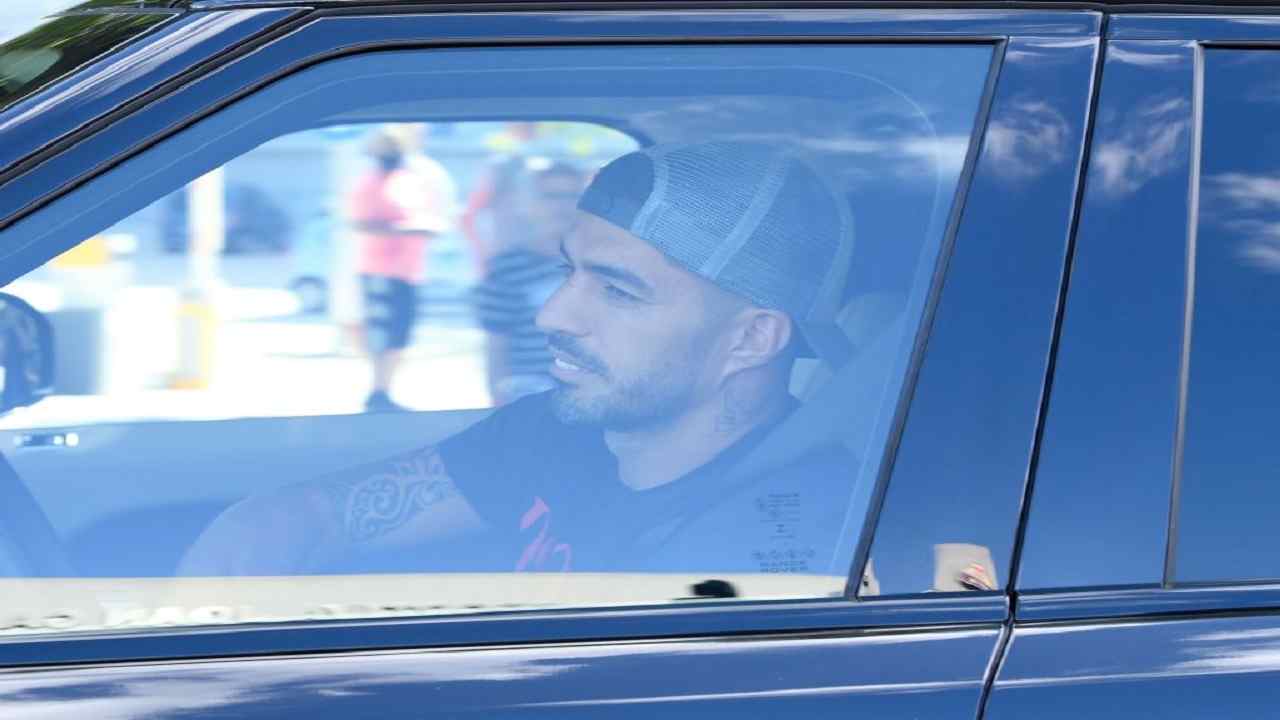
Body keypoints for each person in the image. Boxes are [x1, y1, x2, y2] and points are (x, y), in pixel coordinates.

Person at [180, 141, 858, 577]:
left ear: (751, 340)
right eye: (569, 271)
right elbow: (304, 517)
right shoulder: (559, 431)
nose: (552, 316)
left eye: (618, 291)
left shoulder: (791, 538)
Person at [346, 129, 455, 412]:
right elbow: (362, 224)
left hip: (408, 270)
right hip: (380, 270)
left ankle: (384, 389)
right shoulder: (369, 183)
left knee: (400, 333)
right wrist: (408, 229)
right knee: (382, 333)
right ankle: (378, 390)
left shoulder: (409, 180)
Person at [473, 162, 586, 405]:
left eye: (571, 196)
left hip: (590, 391)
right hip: (528, 394)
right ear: (530, 204)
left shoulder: (604, 263)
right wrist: (498, 400)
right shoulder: (505, 268)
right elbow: (496, 342)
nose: (561, 206)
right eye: (550, 196)